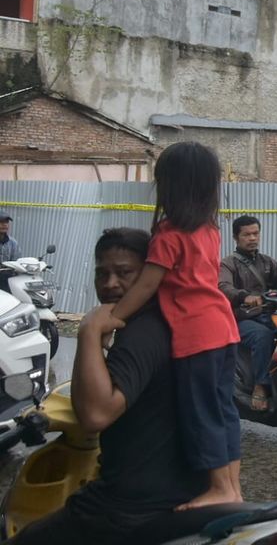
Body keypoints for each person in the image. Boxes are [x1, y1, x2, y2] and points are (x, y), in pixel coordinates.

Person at [10, 228, 207, 544]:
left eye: (124, 273)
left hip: (127, 508)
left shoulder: (141, 333)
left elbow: (96, 415)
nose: (110, 283)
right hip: (176, 494)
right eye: (102, 273)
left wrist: (88, 330)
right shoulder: (167, 322)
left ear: (149, 277)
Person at [97, 141, 242, 510]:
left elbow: (148, 284)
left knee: (201, 412)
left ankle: (218, 488)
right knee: (224, 409)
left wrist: (112, 319)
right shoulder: (209, 229)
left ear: (169, 186)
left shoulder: (169, 235)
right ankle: (233, 488)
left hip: (197, 334)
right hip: (224, 327)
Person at [218, 214, 277, 411]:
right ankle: (260, 386)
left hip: (267, 315)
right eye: (247, 235)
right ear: (236, 238)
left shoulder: (266, 262)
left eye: (255, 233)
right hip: (240, 319)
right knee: (262, 336)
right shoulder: (228, 264)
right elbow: (223, 287)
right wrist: (243, 296)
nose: (252, 238)